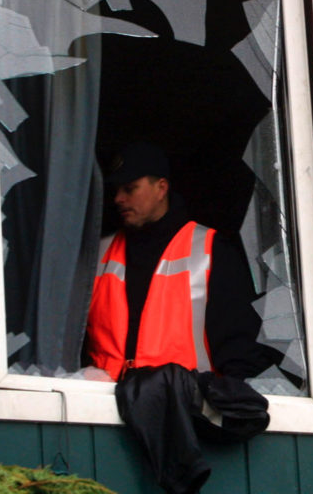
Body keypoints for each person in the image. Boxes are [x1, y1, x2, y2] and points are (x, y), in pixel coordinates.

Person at [85, 142, 270, 494]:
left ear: (161, 187)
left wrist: (221, 402)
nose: (119, 200)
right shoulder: (98, 252)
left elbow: (240, 348)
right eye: (116, 191)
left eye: (130, 188)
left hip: (188, 421)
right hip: (101, 415)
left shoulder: (211, 248)